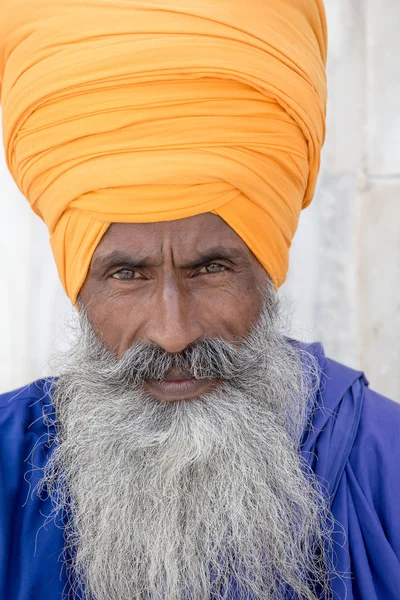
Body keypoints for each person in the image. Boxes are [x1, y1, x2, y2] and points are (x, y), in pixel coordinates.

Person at [0, 1, 399, 599]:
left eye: (211, 268)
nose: (173, 331)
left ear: (267, 269)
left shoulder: (383, 463)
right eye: (127, 275)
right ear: (77, 284)